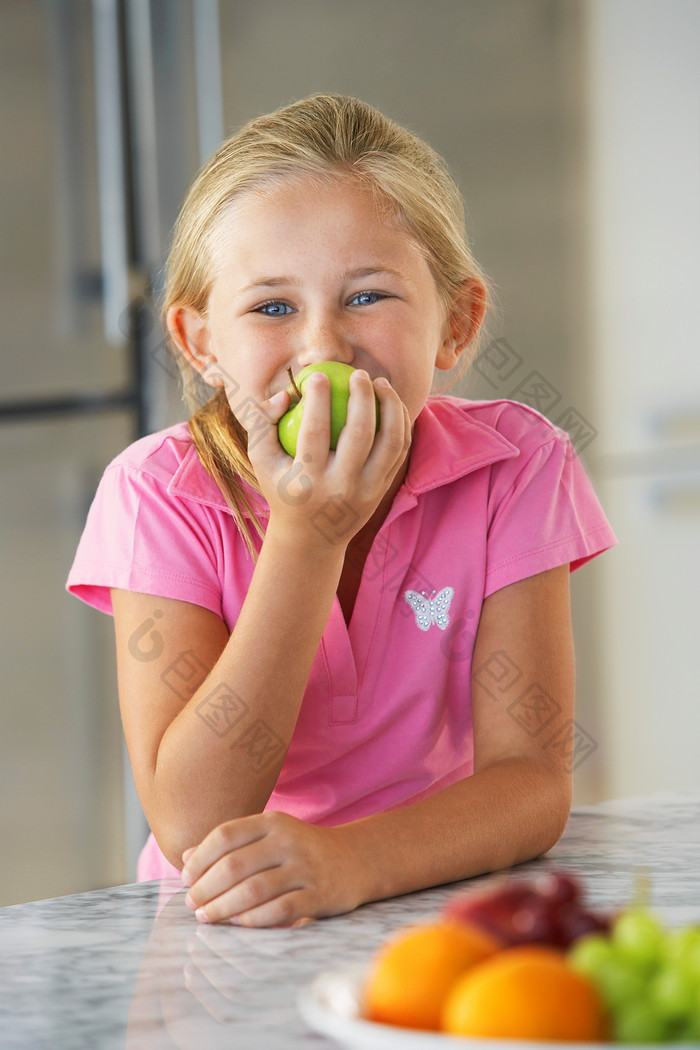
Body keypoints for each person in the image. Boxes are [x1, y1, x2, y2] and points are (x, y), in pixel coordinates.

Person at [67, 93, 617, 928]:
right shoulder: (157, 494)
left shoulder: (518, 464)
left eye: (367, 297)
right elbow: (191, 823)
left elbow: (533, 782)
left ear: (456, 324)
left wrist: (351, 862)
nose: (323, 347)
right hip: (230, 930)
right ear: (202, 342)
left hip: (440, 900)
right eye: (272, 307)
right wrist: (307, 538)